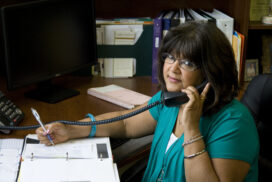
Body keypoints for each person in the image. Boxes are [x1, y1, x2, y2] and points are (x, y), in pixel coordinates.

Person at [36, 21, 259, 182]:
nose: (172, 68)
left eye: (187, 63)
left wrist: (191, 129)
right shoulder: (171, 100)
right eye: (170, 57)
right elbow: (126, 123)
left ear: (210, 73)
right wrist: (70, 129)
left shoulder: (234, 122)